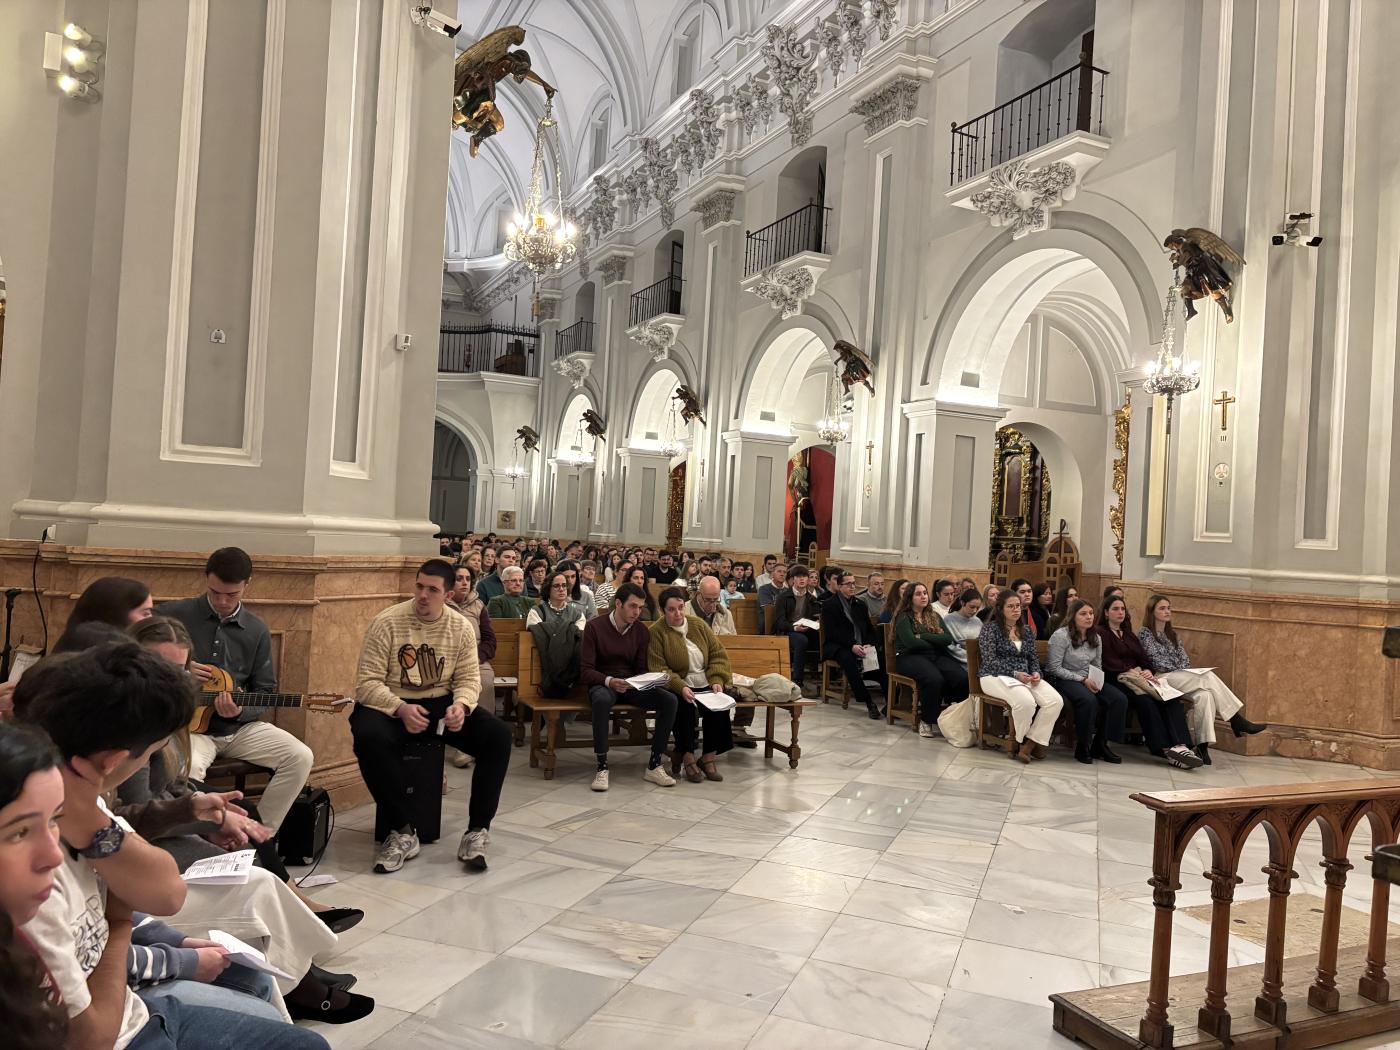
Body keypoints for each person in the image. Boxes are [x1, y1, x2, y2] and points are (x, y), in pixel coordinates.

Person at [12, 652, 337, 1048]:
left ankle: (308, 984)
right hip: (121, 1026)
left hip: (128, 1005)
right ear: (114, 760)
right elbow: (90, 1036)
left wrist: (101, 833)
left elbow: (165, 894)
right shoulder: (35, 867)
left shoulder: (80, 799)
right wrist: (122, 922)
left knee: (271, 1002)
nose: (50, 849)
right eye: (151, 753)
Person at [351, 560, 512, 874]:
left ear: (448, 594)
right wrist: (399, 708)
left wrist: (462, 706)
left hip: (441, 704)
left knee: (497, 738)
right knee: (367, 735)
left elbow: (468, 679)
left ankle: (477, 831)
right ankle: (401, 831)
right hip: (392, 706)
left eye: (433, 590)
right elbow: (366, 683)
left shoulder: (460, 627)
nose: (423, 595)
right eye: (419, 586)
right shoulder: (388, 622)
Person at [158, 548, 313, 835]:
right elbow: (135, 650)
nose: (222, 601)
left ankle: (254, 836)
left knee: (300, 756)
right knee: (186, 775)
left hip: (239, 728)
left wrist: (242, 709)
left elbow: (265, 690)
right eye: (215, 592)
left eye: (232, 595)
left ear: (247, 585)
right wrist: (179, 665)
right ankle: (202, 846)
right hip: (190, 730)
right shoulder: (173, 615)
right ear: (206, 579)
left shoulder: (256, 630)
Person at [1139, 594, 1266, 763]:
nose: (1167, 611)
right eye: (1162, 608)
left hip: (1179, 675)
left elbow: (1185, 660)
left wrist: (1177, 665)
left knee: (1205, 696)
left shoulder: (1173, 635)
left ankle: (1202, 746)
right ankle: (1236, 719)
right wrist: (1176, 665)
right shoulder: (1145, 633)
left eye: (1169, 608)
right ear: (1152, 611)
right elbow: (1158, 662)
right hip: (1161, 679)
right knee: (1207, 676)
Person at [581, 584, 679, 792]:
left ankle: (654, 764)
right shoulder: (594, 627)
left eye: (640, 607)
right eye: (632, 606)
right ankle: (602, 766)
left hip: (631, 684)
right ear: (618, 604)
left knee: (669, 700)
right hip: (603, 682)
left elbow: (641, 668)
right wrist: (609, 681)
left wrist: (650, 680)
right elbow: (586, 671)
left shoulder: (642, 631)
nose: (637, 612)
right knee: (601, 700)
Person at [1096, 596, 1201, 770]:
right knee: (1146, 701)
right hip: (1116, 679)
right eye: (1115, 609)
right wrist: (1133, 669)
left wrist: (1147, 670)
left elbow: (1145, 659)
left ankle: (1182, 745)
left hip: (1139, 678)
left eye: (1122, 609)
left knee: (1170, 698)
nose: (1120, 612)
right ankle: (1165, 748)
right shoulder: (1101, 633)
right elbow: (1108, 660)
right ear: (1106, 613)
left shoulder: (1128, 634)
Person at [649, 589, 734, 783]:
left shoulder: (698, 625)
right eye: (671, 610)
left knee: (718, 706)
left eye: (680, 608)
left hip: (704, 681)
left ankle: (708, 757)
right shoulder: (656, 631)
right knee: (683, 706)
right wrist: (680, 686)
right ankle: (687, 755)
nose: (678, 614)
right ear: (662, 611)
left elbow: (718, 655)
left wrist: (716, 681)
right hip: (678, 684)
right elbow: (659, 667)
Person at [976, 590, 1063, 763]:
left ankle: (1030, 744)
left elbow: (1032, 658)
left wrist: (1037, 672)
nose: (1016, 610)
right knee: (1026, 702)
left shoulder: (1026, 630)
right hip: (993, 676)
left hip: (1025, 676)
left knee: (1055, 701)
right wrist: (1015, 673)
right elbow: (990, 661)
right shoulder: (990, 629)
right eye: (1011, 606)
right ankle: (1020, 741)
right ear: (1000, 609)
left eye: (1018, 606)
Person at [1045, 599, 1129, 764]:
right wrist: (1082, 680)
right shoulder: (1061, 636)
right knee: (1088, 700)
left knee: (1119, 698)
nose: (1089, 617)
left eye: (1091, 613)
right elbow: (1054, 668)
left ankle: (1101, 744)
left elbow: (1096, 665)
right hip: (1064, 678)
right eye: (1083, 614)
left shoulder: (1095, 637)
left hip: (1087, 678)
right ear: (1073, 616)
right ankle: (1083, 746)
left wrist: (1097, 681)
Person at [685, 576, 755, 747]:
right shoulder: (685, 611)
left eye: (715, 600)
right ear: (698, 595)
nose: (712, 604)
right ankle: (690, 731)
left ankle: (738, 728)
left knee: (749, 686)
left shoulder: (725, 614)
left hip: (719, 667)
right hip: (693, 669)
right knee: (692, 689)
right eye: (708, 600)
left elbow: (733, 642)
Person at [893, 582, 968, 737]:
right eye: (918, 594)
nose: (923, 596)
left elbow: (947, 639)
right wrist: (935, 638)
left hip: (934, 655)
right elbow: (911, 643)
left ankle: (954, 716)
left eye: (925, 593)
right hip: (909, 657)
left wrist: (924, 636)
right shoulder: (904, 617)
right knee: (934, 679)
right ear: (910, 597)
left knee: (961, 677)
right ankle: (927, 721)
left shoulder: (933, 615)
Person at [821, 571, 887, 720]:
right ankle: (869, 702)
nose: (852, 587)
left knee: (881, 661)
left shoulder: (860, 604)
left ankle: (890, 702)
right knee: (849, 661)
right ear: (839, 586)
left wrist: (870, 644)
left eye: (854, 583)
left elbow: (869, 629)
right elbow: (833, 633)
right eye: (848, 584)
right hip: (838, 646)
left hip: (861, 645)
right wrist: (852, 645)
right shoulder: (830, 605)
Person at [450, 566, 498, 768]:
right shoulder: (442, 605)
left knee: (485, 683)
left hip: (475, 661)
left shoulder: (478, 605)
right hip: (448, 662)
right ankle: (462, 745)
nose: (464, 582)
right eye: (459, 578)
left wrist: (477, 657)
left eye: (468, 579)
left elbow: (489, 639)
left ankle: (483, 741)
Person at [53, 577, 155, 652]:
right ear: (117, 614)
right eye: (145, 613)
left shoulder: (72, 641)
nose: (152, 619)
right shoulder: (115, 656)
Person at [771, 564, 821, 691]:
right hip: (787, 630)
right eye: (798, 577)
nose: (802, 579)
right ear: (793, 579)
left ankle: (823, 675)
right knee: (801, 640)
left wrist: (816, 622)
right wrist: (794, 628)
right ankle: (798, 681)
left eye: (804, 576)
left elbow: (815, 617)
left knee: (822, 636)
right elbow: (779, 622)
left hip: (806, 629)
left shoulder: (812, 598)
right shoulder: (784, 597)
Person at [942, 589, 983, 667]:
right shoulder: (949, 620)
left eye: (977, 608)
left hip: (978, 660)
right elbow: (949, 646)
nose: (974, 611)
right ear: (962, 603)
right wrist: (971, 657)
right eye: (972, 607)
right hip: (958, 662)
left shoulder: (978, 621)